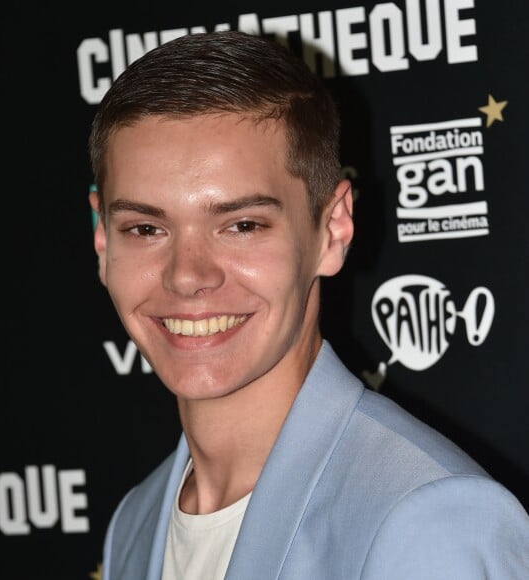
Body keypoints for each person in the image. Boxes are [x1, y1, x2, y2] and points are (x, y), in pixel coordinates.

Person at [88, 30, 529, 580]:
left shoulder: (430, 520)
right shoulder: (136, 520)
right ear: (103, 239)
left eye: (242, 225)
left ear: (332, 230)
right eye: (146, 227)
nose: (187, 276)